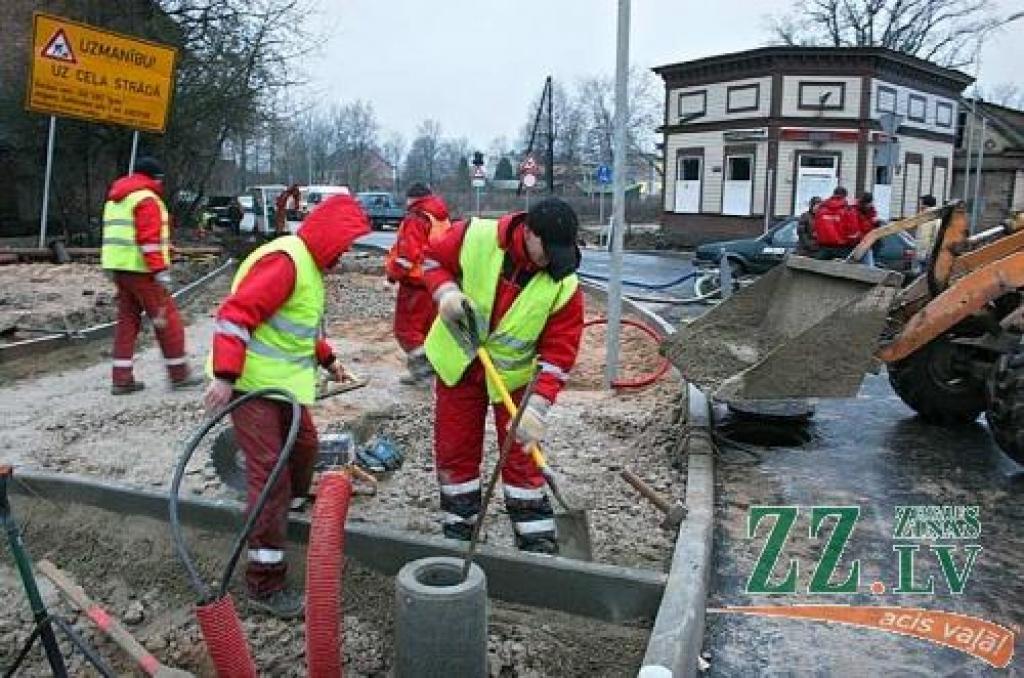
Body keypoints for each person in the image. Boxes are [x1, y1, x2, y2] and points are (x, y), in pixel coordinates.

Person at [203, 194, 369, 618]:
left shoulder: (307, 267)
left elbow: (296, 331)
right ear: (329, 235)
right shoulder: (286, 262)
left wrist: (329, 359)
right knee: (270, 478)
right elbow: (236, 315)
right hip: (250, 385)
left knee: (305, 448)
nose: (345, 254)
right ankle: (264, 584)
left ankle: (284, 510)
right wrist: (224, 375)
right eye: (345, 244)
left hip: (281, 387)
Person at [421, 198, 584, 555]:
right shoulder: (474, 236)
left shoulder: (564, 285)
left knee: (522, 457)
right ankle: (459, 529)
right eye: (548, 250)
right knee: (456, 449)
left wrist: (537, 407)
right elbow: (432, 260)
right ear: (528, 233)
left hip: (513, 380)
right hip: (459, 365)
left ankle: (535, 538)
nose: (552, 261)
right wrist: (445, 292)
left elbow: (559, 356)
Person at [100, 157, 201, 395]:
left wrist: (167, 248)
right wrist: (160, 271)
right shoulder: (147, 199)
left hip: (119, 269)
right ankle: (179, 375)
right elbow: (148, 241)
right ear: (155, 178)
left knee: (127, 322)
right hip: (143, 271)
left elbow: (127, 236)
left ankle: (121, 379)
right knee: (167, 321)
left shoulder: (116, 199)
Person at [384, 183, 452, 385]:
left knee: (406, 330)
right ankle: (434, 371)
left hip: (415, 283)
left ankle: (424, 374)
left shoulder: (416, 217)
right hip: (436, 281)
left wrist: (392, 275)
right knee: (429, 330)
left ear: (412, 199)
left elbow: (407, 255)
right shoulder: (440, 216)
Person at [813, 186, 857, 260]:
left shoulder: (821, 209)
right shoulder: (848, 210)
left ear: (833, 194)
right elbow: (852, 233)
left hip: (823, 248)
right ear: (844, 196)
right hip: (841, 249)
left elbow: (816, 229)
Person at [854, 192, 881, 266]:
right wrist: (872, 223)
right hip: (861, 242)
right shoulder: (856, 211)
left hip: (868, 242)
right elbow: (861, 227)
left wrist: (876, 223)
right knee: (869, 267)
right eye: (870, 203)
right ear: (865, 202)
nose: (871, 204)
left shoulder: (871, 211)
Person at [915, 195, 939, 274]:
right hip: (932, 253)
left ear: (925, 205)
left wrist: (922, 255)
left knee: (923, 279)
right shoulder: (936, 215)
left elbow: (925, 237)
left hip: (926, 255)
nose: (919, 206)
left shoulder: (928, 217)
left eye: (921, 203)